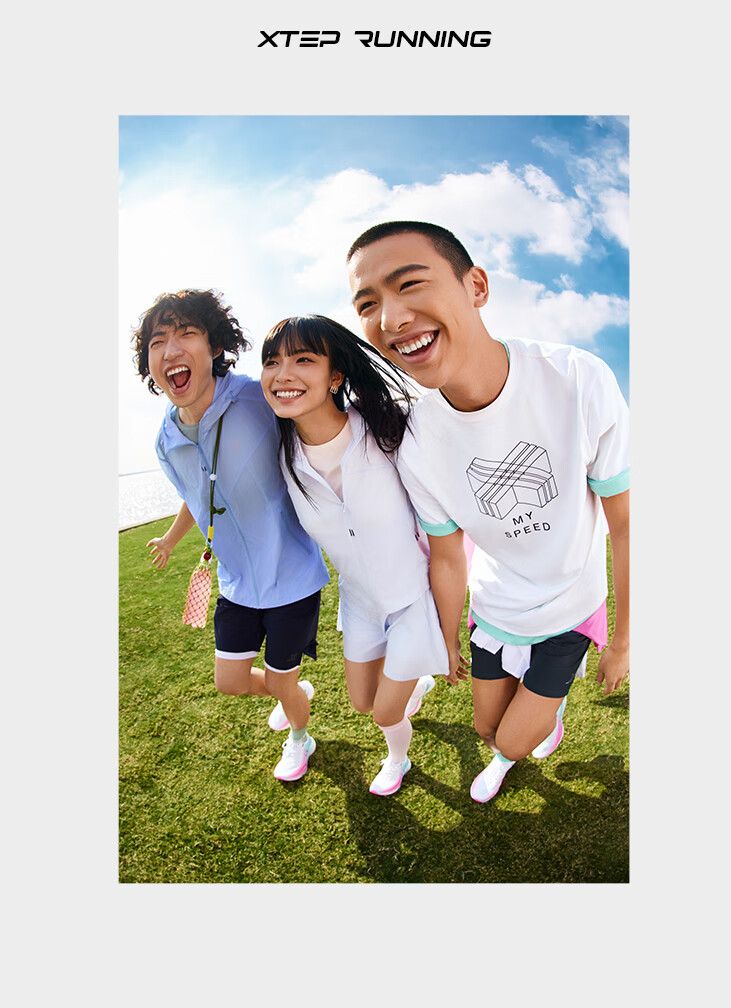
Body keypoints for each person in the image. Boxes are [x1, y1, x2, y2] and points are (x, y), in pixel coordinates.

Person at [346, 221, 629, 803]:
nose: (391, 318)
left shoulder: (577, 379)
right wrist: (446, 637)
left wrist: (624, 640)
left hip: (573, 604)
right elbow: (448, 556)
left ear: (475, 286)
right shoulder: (415, 440)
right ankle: (526, 719)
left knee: (513, 741)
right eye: (368, 304)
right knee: (483, 726)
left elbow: (627, 527)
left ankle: (530, 730)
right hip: (497, 605)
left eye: (409, 284)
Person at [131, 289, 330, 782]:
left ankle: (299, 737)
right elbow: (197, 494)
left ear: (215, 346)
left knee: (281, 680)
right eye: (157, 342)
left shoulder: (257, 397)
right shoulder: (166, 441)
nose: (171, 350)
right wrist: (172, 539)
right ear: (148, 362)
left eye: (186, 333)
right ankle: (292, 693)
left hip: (291, 576)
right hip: (236, 582)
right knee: (231, 680)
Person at [259, 314, 448, 796]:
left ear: (335, 376)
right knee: (363, 701)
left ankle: (398, 758)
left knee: (384, 713)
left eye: (304, 360)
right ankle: (413, 683)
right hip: (359, 601)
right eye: (272, 362)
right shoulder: (281, 455)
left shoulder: (386, 427)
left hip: (413, 595)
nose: (283, 374)